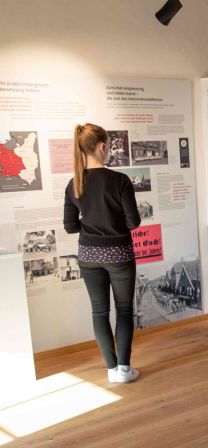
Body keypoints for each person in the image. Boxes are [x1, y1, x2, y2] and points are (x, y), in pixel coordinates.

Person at [63, 123, 141, 383]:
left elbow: (70, 226)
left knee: (99, 312)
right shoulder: (119, 180)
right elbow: (133, 223)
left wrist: (92, 223)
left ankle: (110, 370)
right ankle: (124, 370)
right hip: (119, 254)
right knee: (124, 310)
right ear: (103, 146)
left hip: (88, 256)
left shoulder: (73, 184)